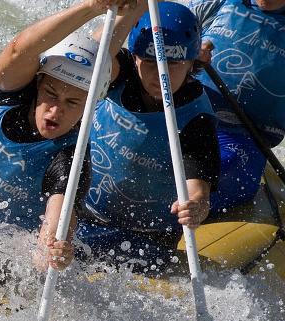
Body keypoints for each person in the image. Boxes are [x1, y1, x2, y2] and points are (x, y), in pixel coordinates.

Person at [0, 0, 130, 271]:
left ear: (89, 108)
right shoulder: (5, 95)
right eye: (51, 94)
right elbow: (19, 49)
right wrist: (93, 7)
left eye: (72, 103)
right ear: (39, 82)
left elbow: (57, 219)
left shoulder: (69, 158)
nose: (55, 111)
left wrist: (54, 247)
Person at [77, 2, 220, 273]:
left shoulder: (196, 118)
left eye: (174, 63)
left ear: (192, 63)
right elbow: (90, 54)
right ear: (135, 58)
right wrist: (131, 8)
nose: (162, 74)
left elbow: (197, 190)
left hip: (146, 238)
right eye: (151, 62)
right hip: (83, 214)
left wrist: (196, 208)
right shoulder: (120, 74)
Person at [190, 0, 285, 212]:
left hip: (243, 138)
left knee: (226, 164)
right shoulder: (216, 3)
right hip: (187, 118)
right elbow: (160, 45)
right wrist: (188, 54)